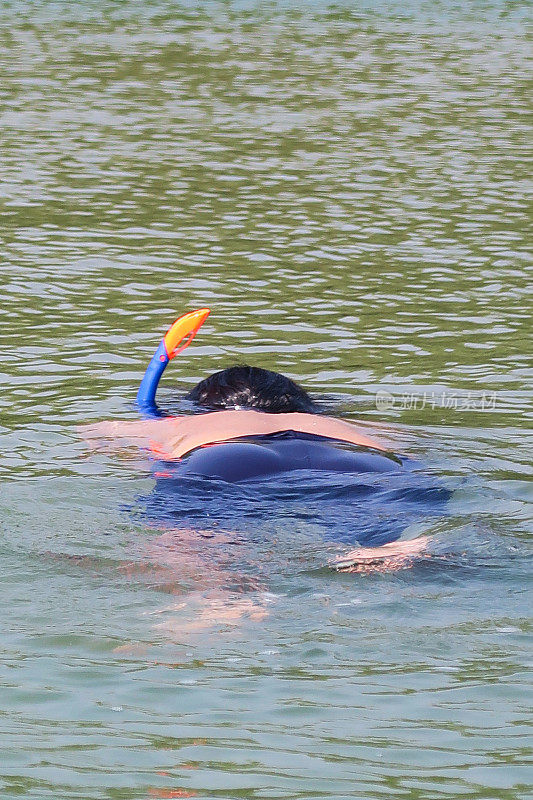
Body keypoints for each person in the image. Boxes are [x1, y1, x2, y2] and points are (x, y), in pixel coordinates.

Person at [82, 310, 448, 572]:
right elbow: (418, 445)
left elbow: (98, 439)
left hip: (232, 461)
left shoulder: (181, 425)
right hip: (359, 467)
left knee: (197, 540)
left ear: (202, 405)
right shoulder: (347, 425)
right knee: (370, 523)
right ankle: (390, 546)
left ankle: (225, 594)